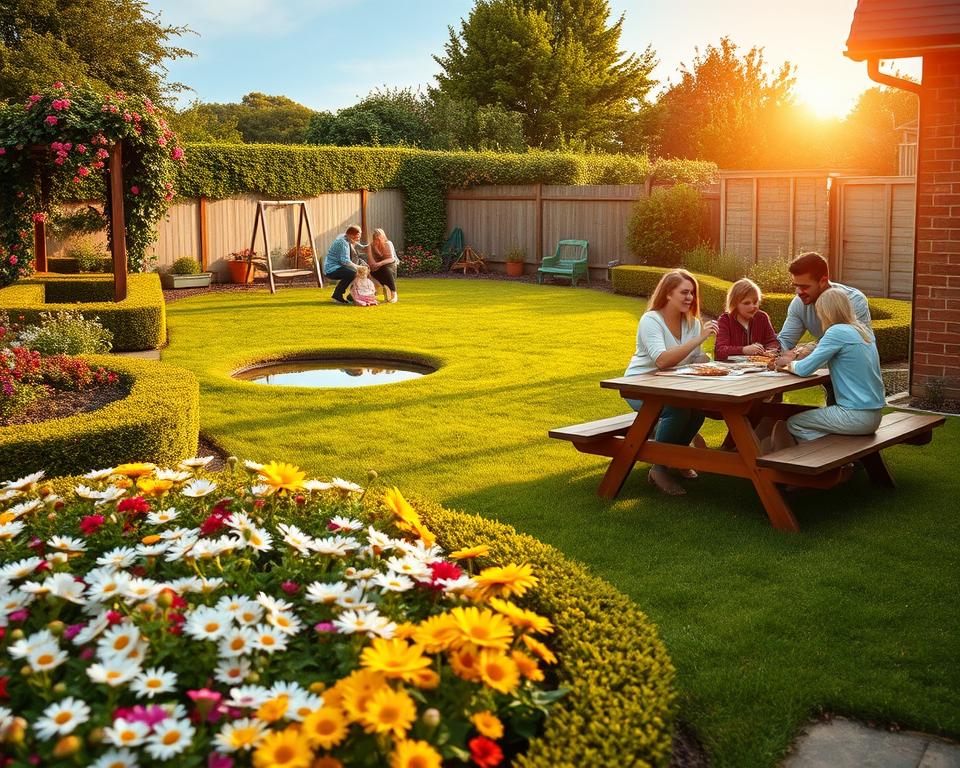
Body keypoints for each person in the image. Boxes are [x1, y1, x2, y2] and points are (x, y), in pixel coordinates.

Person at [623, 269, 719, 496]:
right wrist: (700, 338)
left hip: (671, 385)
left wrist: (714, 364)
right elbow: (663, 360)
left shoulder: (692, 323)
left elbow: (694, 357)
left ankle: (678, 456)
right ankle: (659, 468)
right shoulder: (651, 320)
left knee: (697, 412)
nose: (690, 298)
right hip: (639, 386)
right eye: (684, 292)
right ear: (668, 294)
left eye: (692, 293)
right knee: (677, 411)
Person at [768, 288, 885, 449]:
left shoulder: (836, 332)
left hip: (855, 416)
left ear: (825, 312)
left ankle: (822, 460)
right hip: (874, 415)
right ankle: (834, 454)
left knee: (795, 423)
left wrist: (785, 365)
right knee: (816, 423)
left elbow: (804, 369)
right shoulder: (861, 330)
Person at [778, 252, 872, 403]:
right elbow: (784, 341)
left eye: (804, 286)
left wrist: (800, 352)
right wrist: (772, 353)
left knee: (798, 420)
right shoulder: (799, 303)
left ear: (823, 281)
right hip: (826, 370)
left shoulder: (853, 301)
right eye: (796, 286)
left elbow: (840, 346)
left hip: (853, 379)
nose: (798, 292)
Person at [714, 278, 780, 361]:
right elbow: (720, 351)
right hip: (732, 369)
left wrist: (768, 351)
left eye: (756, 302)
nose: (753, 306)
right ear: (734, 304)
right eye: (747, 303)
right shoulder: (725, 320)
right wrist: (744, 350)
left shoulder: (762, 317)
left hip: (758, 368)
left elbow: (773, 341)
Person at [324, 225, 362, 304]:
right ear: (351, 235)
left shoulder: (344, 237)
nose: (358, 239)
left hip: (334, 267)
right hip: (331, 269)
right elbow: (345, 261)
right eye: (357, 237)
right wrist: (359, 267)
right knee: (351, 274)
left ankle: (351, 295)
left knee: (353, 273)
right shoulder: (343, 242)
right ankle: (337, 296)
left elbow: (359, 246)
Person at [365, 228, 399, 303]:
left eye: (379, 239)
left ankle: (394, 293)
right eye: (375, 239)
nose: (377, 241)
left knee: (386, 270)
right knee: (372, 272)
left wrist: (379, 264)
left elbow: (391, 259)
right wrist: (374, 266)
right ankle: (382, 290)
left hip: (389, 264)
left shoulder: (388, 244)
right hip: (377, 266)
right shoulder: (371, 245)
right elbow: (371, 261)